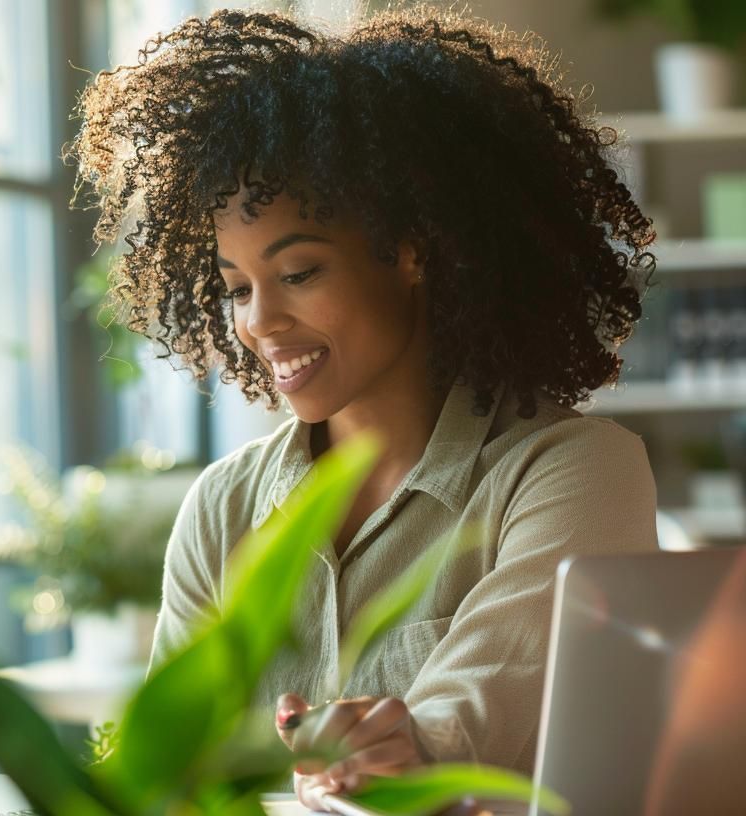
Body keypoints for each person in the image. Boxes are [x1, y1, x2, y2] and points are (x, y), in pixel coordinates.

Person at [65, 5, 660, 809]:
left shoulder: (573, 473)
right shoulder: (224, 509)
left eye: (299, 272)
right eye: (237, 287)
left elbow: (474, 710)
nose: (259, 322)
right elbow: (173, 775)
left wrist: (401, 743)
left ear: (412, 248)